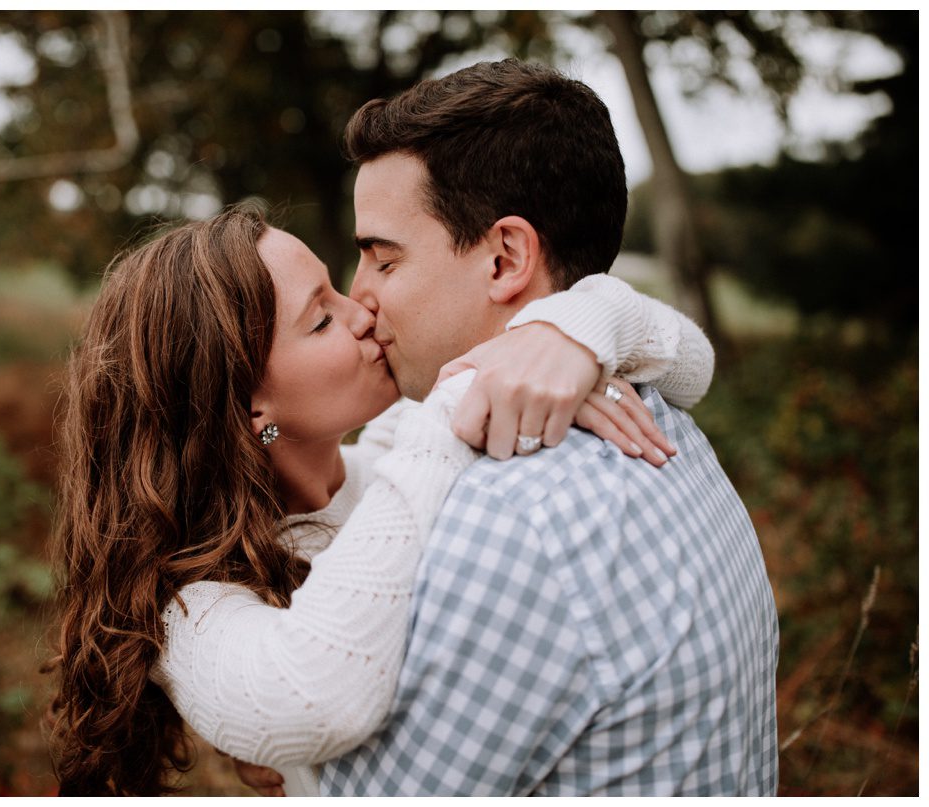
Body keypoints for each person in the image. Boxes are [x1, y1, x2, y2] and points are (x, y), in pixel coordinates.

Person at [45, 202, 714, 795]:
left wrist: (567, 331)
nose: (362, 311)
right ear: (250, 408)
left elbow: (692, 362)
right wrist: (466, 391)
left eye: (337, 288)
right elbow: (319, 699)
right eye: (320, 319)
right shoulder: (187, 606)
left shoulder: (395, 455)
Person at [297, 60, 777, 796]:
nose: (360, 296)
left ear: (506, 257)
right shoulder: (658, 413)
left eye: (383, 259)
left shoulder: (508, 513)